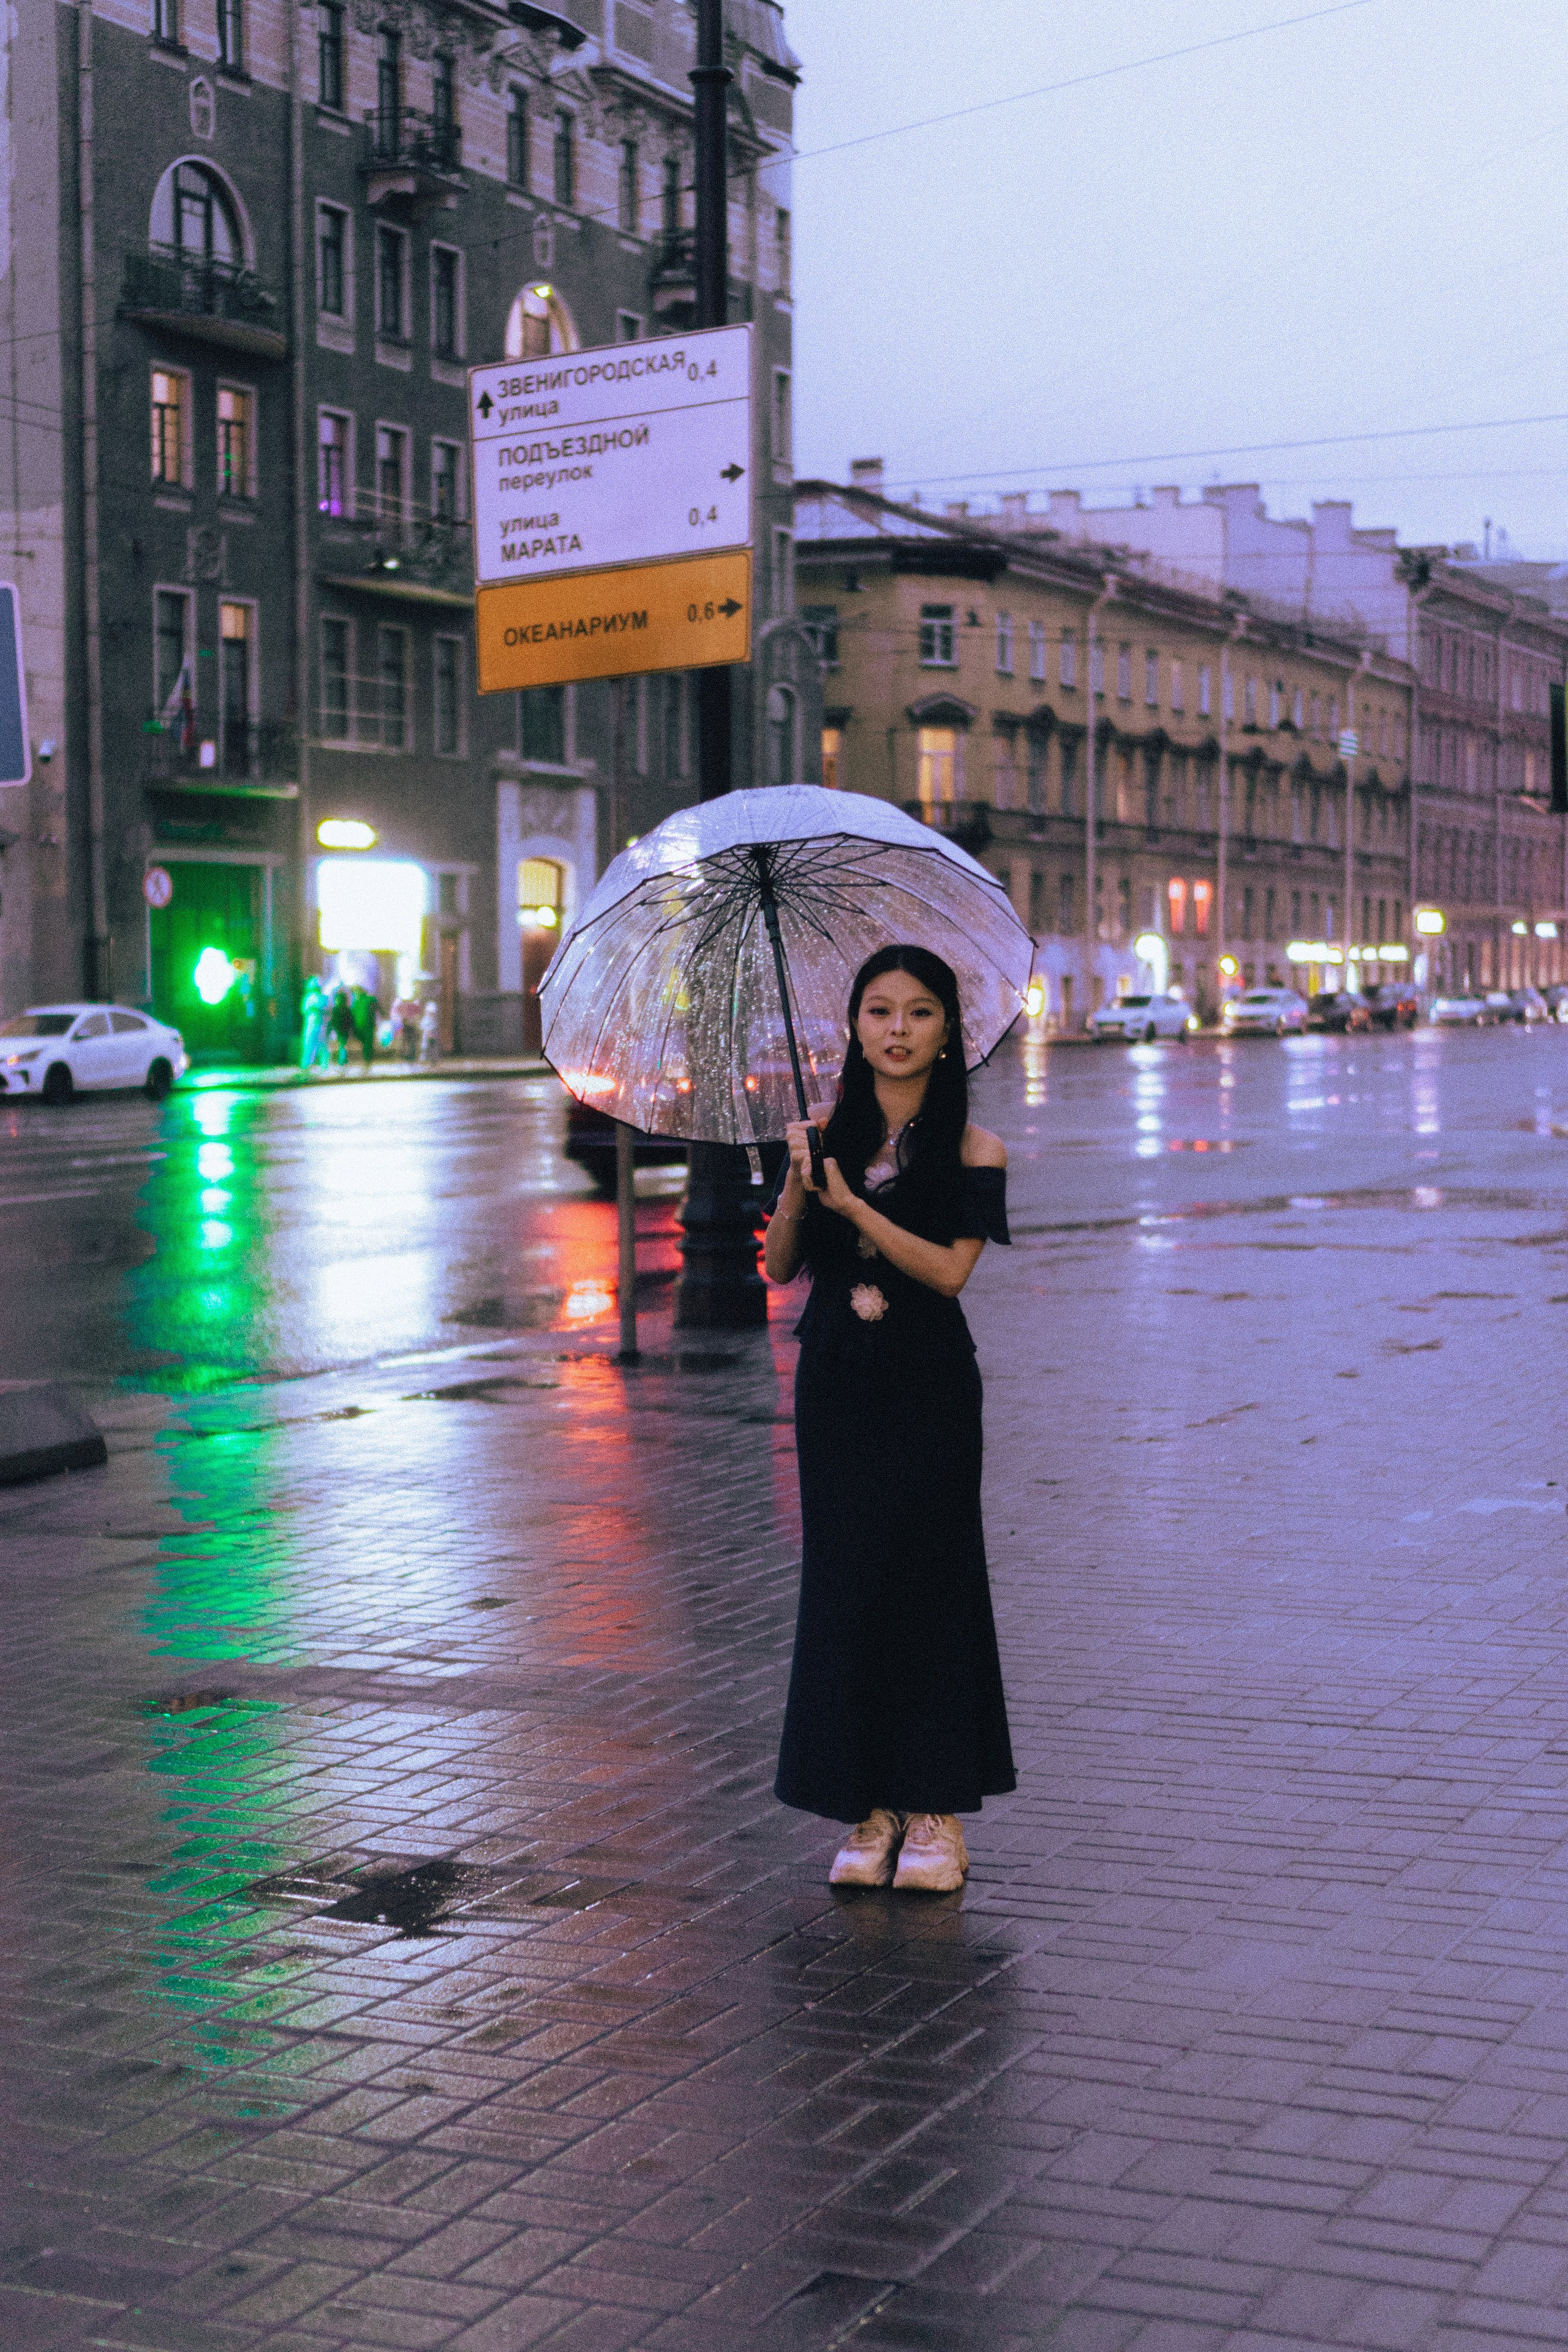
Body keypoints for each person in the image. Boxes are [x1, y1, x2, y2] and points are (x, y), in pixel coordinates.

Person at [763, 943, 1016, 1894]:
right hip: (835, 1381)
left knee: (933, 1586)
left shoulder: (974, 1149)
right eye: (878, 1011)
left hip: (929, 1386)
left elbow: (949, 1272)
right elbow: (779, 1268)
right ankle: (865, 1809)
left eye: (917, 1013)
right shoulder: (818, 1137)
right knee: (845, 1586)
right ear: (854, 1027)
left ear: (949, 1031)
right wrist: (798, 1185)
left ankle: (937, 1817)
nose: (896, 1030)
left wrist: (856, 1210)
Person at [298, 974, 329, 1071]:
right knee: (312, 1043)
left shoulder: (319, 998)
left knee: (316, 1043)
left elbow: (303, 1010)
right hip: (314, 1023)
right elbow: (304, 1010)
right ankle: (309, 1064)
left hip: (318, 1023)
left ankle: (319, 1064)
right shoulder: (314, 998)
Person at [326, 982, 354, 1069]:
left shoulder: (337, 1010)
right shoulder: (346, 1009)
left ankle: (342, 1061)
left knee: (342, 1045)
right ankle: (343, 1060)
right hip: (343, 1029)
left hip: (340, 1029)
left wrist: (329, 1030)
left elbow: (332, 1021)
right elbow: (350, 1020)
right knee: (343, 1045)